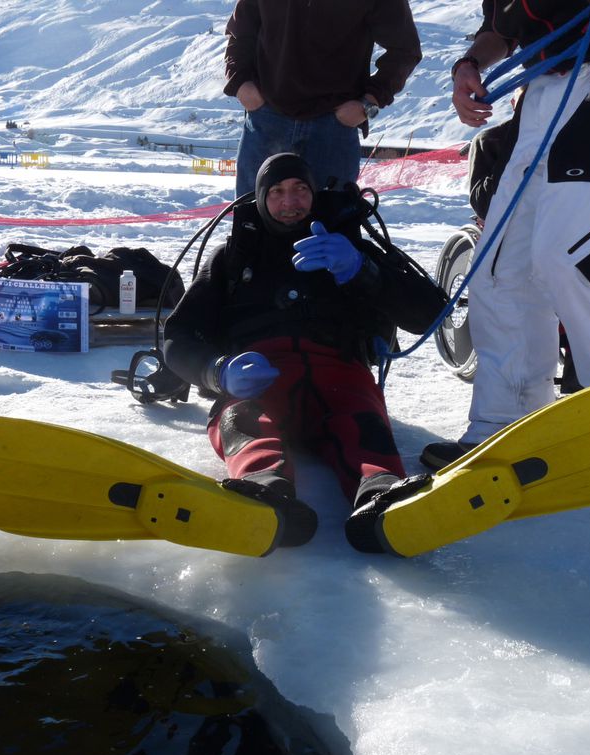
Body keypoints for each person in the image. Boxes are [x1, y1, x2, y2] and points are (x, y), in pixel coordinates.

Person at [421, 0, 590, 470]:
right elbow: (500, 26)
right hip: (544, 91)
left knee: (574, 256)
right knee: (499, 269)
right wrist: (469, 65)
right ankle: (505, 425)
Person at [163, 153, 446, 551]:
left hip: (340, 375)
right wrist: (218, 371)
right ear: (260, 198)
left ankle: (384, 495)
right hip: (258, 379)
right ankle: (262, 491)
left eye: (300, 189)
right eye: (277, 192)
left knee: (359, 424)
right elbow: (177, 336)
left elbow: (432, 314)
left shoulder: (348, 244)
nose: (289, 201)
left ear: (315, 194)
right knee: (244, 420)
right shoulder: (233, 258)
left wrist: (362, 270)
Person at [223, 0, 422, 197]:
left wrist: (369, 101)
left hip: (333, 129)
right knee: (251, 223)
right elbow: (240, 33)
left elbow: (405, 50)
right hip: (267, 121)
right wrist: (241, 84)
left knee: (331, 224)